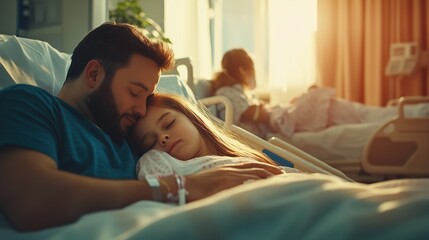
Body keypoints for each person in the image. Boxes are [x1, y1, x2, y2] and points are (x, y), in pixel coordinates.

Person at [0, 23, 282, 232]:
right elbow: (32, 199)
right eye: (135, 93)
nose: (141, 108)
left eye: (147, 97)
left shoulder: (128, 136)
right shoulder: (30, 103)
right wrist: (178, 188)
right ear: (94, 74)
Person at [211, 48, 429, 138]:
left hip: (289, 118)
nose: (254, 75)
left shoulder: (234, 92)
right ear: (242, 69)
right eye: (252, 69)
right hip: (286, 125)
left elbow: (260, 112)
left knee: (359, 114)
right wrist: (287, 108)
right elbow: (254, 114)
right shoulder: (226, 94)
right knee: (359, 116)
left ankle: (416, 113)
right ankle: (417, 114)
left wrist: (292, 104)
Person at [128, 93, 298, 179]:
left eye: (169, 123)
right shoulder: (156, 159)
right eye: (150, 142)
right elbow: (158, 189)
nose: (162, 138)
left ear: (191, 117)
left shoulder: (239, 157)